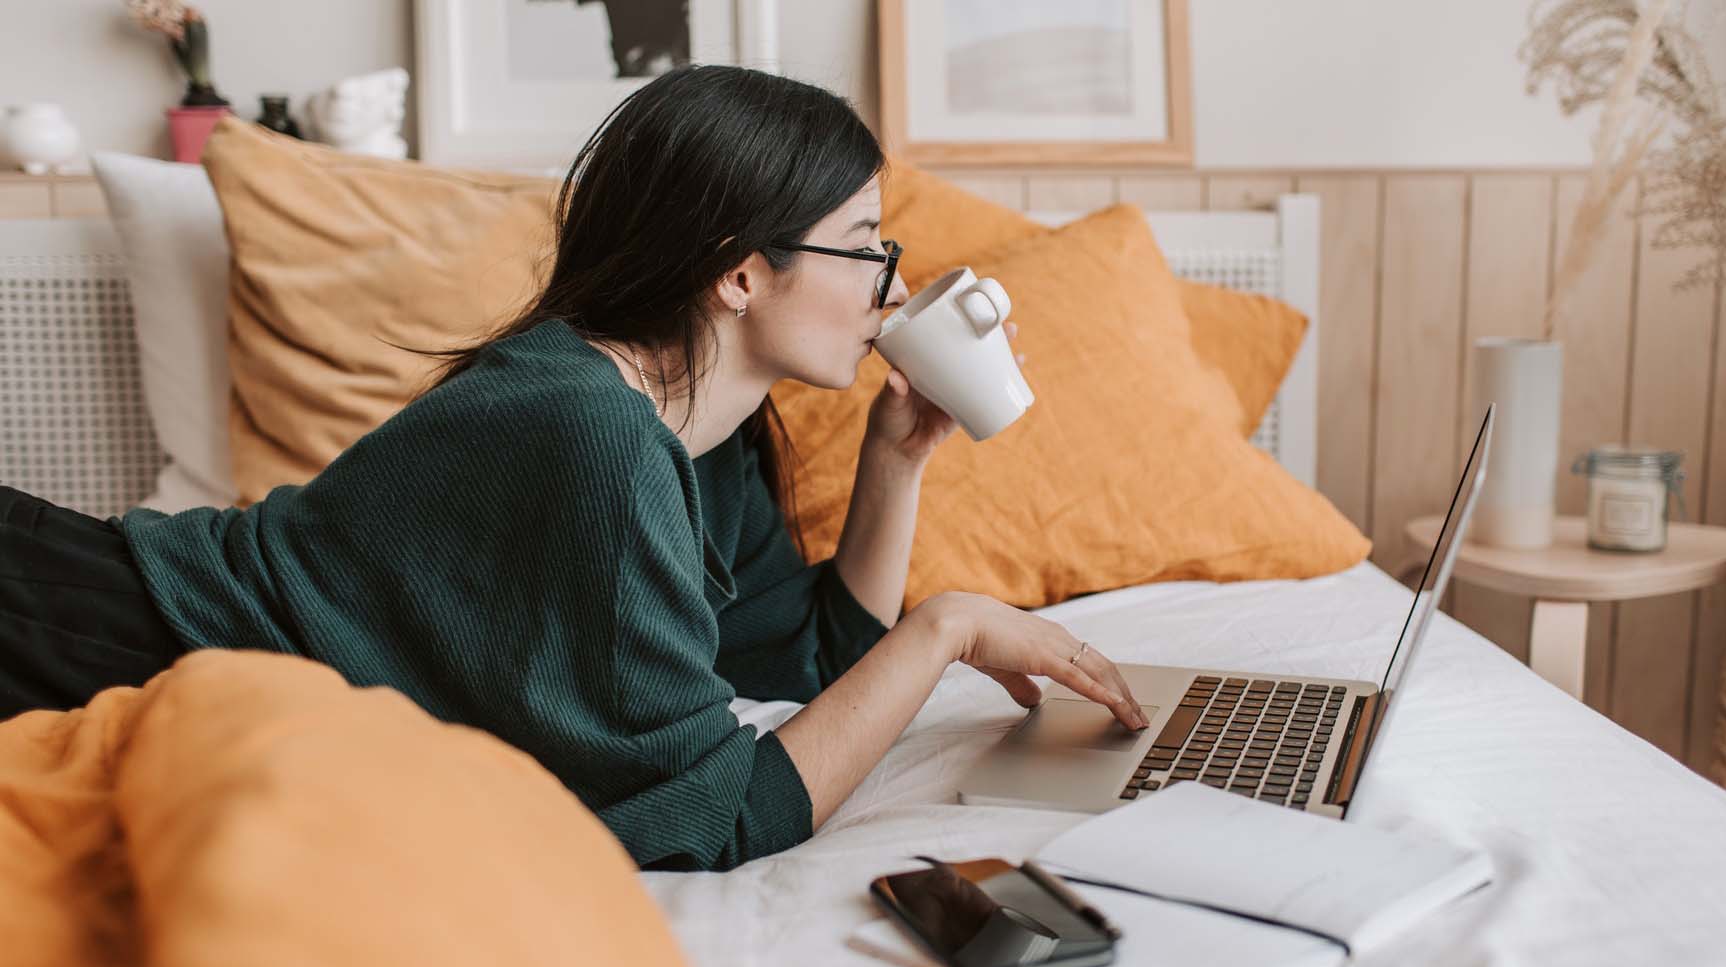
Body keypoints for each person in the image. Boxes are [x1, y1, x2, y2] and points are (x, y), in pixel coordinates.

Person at [0, 65, 1148, 871]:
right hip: (92, 636)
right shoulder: (590, 437)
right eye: (866, 246)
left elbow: (804, 669)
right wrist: (944, 628)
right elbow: (723, 818)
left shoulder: (703, 431)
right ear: (739, 275)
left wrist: (897, 465)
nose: (892, 287)